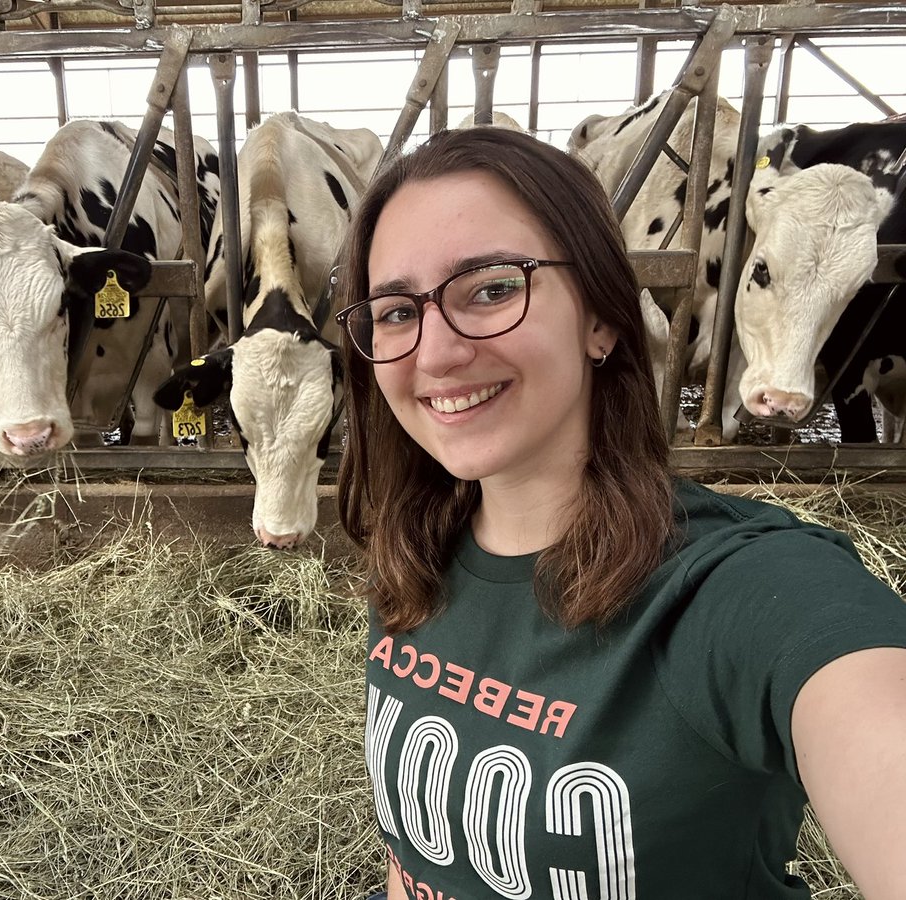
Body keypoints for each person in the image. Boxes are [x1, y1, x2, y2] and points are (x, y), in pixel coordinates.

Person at [332, 126, 906, 900]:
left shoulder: (739, 588)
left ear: (601, 318)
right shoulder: (412, 560)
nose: (435, 354)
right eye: (397, 311)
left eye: (494, 288)